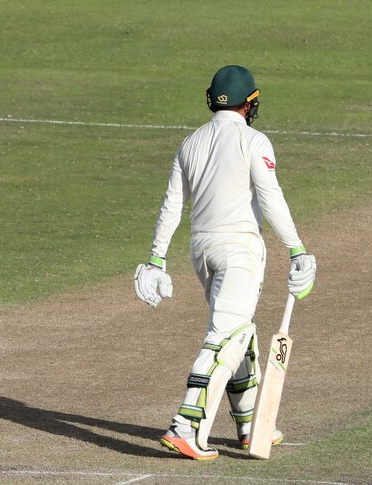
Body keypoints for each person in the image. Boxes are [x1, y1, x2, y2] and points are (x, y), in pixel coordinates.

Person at [133, 65, 317, 460]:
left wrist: (156, 259)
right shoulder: (254, 141)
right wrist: (297, 248)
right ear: (248, 102)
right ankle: (185, 426)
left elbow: (172, 206)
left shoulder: (190, 143)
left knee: (239, 331)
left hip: (202, 250)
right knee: (225, 337)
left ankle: (251, 425)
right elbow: (270, 197)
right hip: (239, 250)